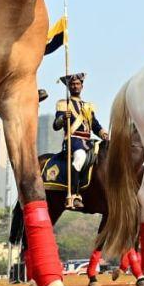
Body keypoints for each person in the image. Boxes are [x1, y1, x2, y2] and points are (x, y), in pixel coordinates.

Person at [54, 73, 103, 206]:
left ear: (82, 86)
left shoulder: (87, 106)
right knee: (80, 157)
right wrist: (63, 118)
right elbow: (56, 125)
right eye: (72, 84)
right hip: (73, 141)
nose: (75, 86)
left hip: (88, 140)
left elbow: (95, 125)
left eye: (77, 84)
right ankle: (74, 195)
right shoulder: (64, 104)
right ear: (69, 87)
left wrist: (103, 133)